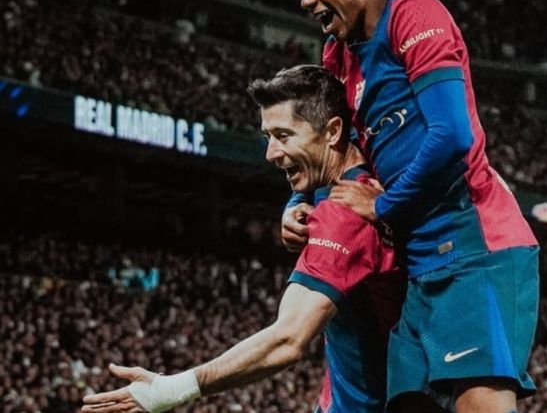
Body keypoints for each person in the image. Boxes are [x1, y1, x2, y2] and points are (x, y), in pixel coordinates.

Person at [277, 0, 540, 413]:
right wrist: (298, 201)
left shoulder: (414, 14)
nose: (306, 0)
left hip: (472, 245)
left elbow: (451, 135)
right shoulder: (338, 55)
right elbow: (332, 148)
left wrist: (385, 206)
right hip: (419, 263)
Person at [81, 66, 409, 413]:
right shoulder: (351, 171)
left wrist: (173, 388)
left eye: (284, 136)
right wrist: (294, 203)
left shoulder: (344, 215)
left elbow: (288, 339)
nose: (271, 153)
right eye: (268, 136)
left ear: (332, 131)